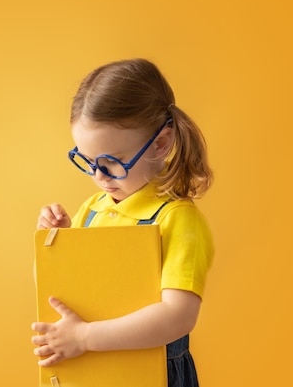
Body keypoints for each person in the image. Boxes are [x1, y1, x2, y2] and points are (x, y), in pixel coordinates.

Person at [31, 58, 214, 387]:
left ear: (161, 143)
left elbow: (178, 317)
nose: (98, 176)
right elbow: (58, 295)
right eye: (87, 161)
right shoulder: (91, 210)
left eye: (112, 162)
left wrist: (86, 337)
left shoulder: (178, 220)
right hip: (94, 373)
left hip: (150, 376)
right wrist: (52, 246)